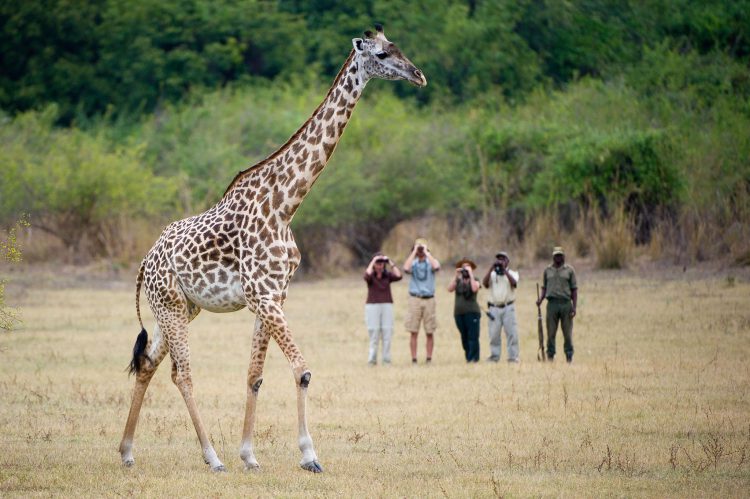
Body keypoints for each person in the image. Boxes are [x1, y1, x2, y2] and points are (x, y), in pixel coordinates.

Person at [536, 246, 578, 363]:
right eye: (556, 255)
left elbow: (574, 290)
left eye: (560, 255)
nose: (558, 257)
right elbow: (544, 287)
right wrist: (540, 299)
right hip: (552, 304)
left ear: (563, 256)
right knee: (550, 332)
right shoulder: (547, 270)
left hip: (565, 304)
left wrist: (574, 307)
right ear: (553, 256)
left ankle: (569, 355)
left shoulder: (569, 270)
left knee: (567, 333)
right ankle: (550, 355)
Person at [403, 238, 441, 364]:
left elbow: (436, 266)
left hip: (429, 298)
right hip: (415, 298)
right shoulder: (412, 263)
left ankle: (429, 358)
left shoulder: (431, 262)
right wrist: (414, 252)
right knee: (413, 331)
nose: (420, 251)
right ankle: (414, 359)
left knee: (430, 331)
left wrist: (427, 252)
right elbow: (406, 268)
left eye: (421, 249)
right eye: (418, 249)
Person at [364, 253, 402, 365]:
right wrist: (373, 260)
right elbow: (366, 276)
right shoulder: (371, 276)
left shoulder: (388, 275)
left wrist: (389, 262)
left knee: (387, 332)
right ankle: (372, 360)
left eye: (381, 263)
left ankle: (386, 360)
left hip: (387, 305)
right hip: (372, 306)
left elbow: (399, 276)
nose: (380, 265)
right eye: (378, 263)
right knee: (374, 333)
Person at [482, 251, 520, 363]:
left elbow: (514, 284)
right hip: (494, 308)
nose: (500, 261)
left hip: (508, 307)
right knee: (494, 334)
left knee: (512, 333)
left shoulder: (513, 273)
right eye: (498, 259)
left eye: (503, 259)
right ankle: (494, 356)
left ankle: (513, 358)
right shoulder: (493, 275)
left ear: (507, 261)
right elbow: (485, 284)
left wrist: (504, 271)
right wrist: (491, 269)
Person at [448, 258, 481, 362]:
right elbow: (449, 289)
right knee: (464, 337)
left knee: (473, 336)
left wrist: (470, 274)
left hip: (472, 312)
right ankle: (468, 357)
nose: (465, 269)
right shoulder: (458, 281)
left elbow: (475, 288)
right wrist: (456, 275)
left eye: (468, 267)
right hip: (459, 313)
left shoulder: (476, 279)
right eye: (464, 267)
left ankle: (474, 359)